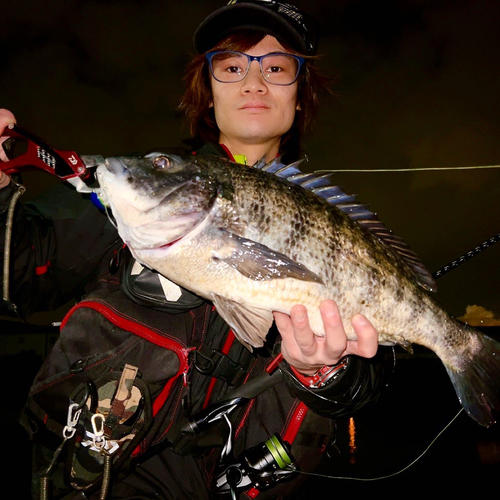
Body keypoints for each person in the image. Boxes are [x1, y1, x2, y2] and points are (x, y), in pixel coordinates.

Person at [0, 2, 392, 499]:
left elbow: (371, 376)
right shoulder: (143, 191)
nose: (254, 83)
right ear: (207, 95)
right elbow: (15, 270)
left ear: (300, 95)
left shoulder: (333, 222)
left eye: (276, 68)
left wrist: (326, 374)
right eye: (231, 68)